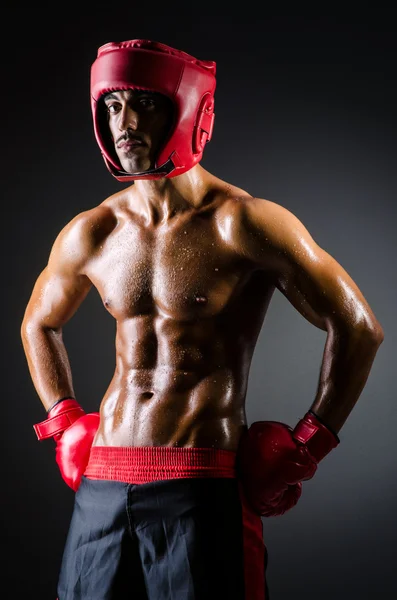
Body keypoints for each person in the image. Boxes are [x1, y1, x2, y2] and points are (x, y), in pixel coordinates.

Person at [21, 39, 384, 600]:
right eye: (112, 106)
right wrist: (63, 420)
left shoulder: (245, 223)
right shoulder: (93, 231)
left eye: (143, 103)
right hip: (101, 485)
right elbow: (38, 323)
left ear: (189, 111)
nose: (125, 122)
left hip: (199, 483)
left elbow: (358, 326)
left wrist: (308, 445)